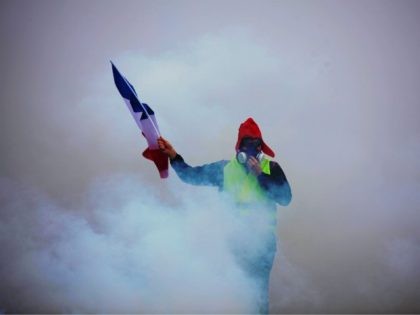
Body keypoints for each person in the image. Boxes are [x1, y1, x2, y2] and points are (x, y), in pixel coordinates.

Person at [158, 117, 292, 314]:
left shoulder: (271, 168)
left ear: (261, 148)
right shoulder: (224, 169)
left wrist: (261, 175)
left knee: (257, 299)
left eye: (255, 145)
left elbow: (285, 198)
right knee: (234, 295)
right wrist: (174, 155)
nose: (251, 151)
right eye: (246, 145)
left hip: (262, 247)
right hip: (233, 245)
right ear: (238, 148)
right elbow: (190, 176)